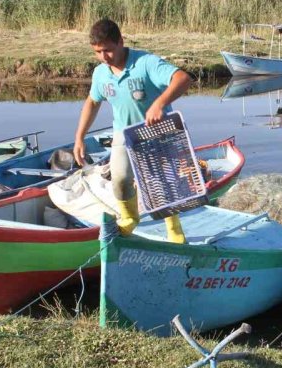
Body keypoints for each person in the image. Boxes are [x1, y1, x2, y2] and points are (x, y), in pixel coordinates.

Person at [74, 19, 193, 243]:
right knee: (119, 179)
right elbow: (92, 102)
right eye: (98, 52)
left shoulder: (146, 63)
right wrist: (79, 137)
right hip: (125, 134)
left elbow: (183, 79)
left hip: (157, 132)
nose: (104, 57)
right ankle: (129, 218)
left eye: (108, 50)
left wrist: (159, 104)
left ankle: (174, 229)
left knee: (162, 181)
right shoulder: (101, 73)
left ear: (120, 42)